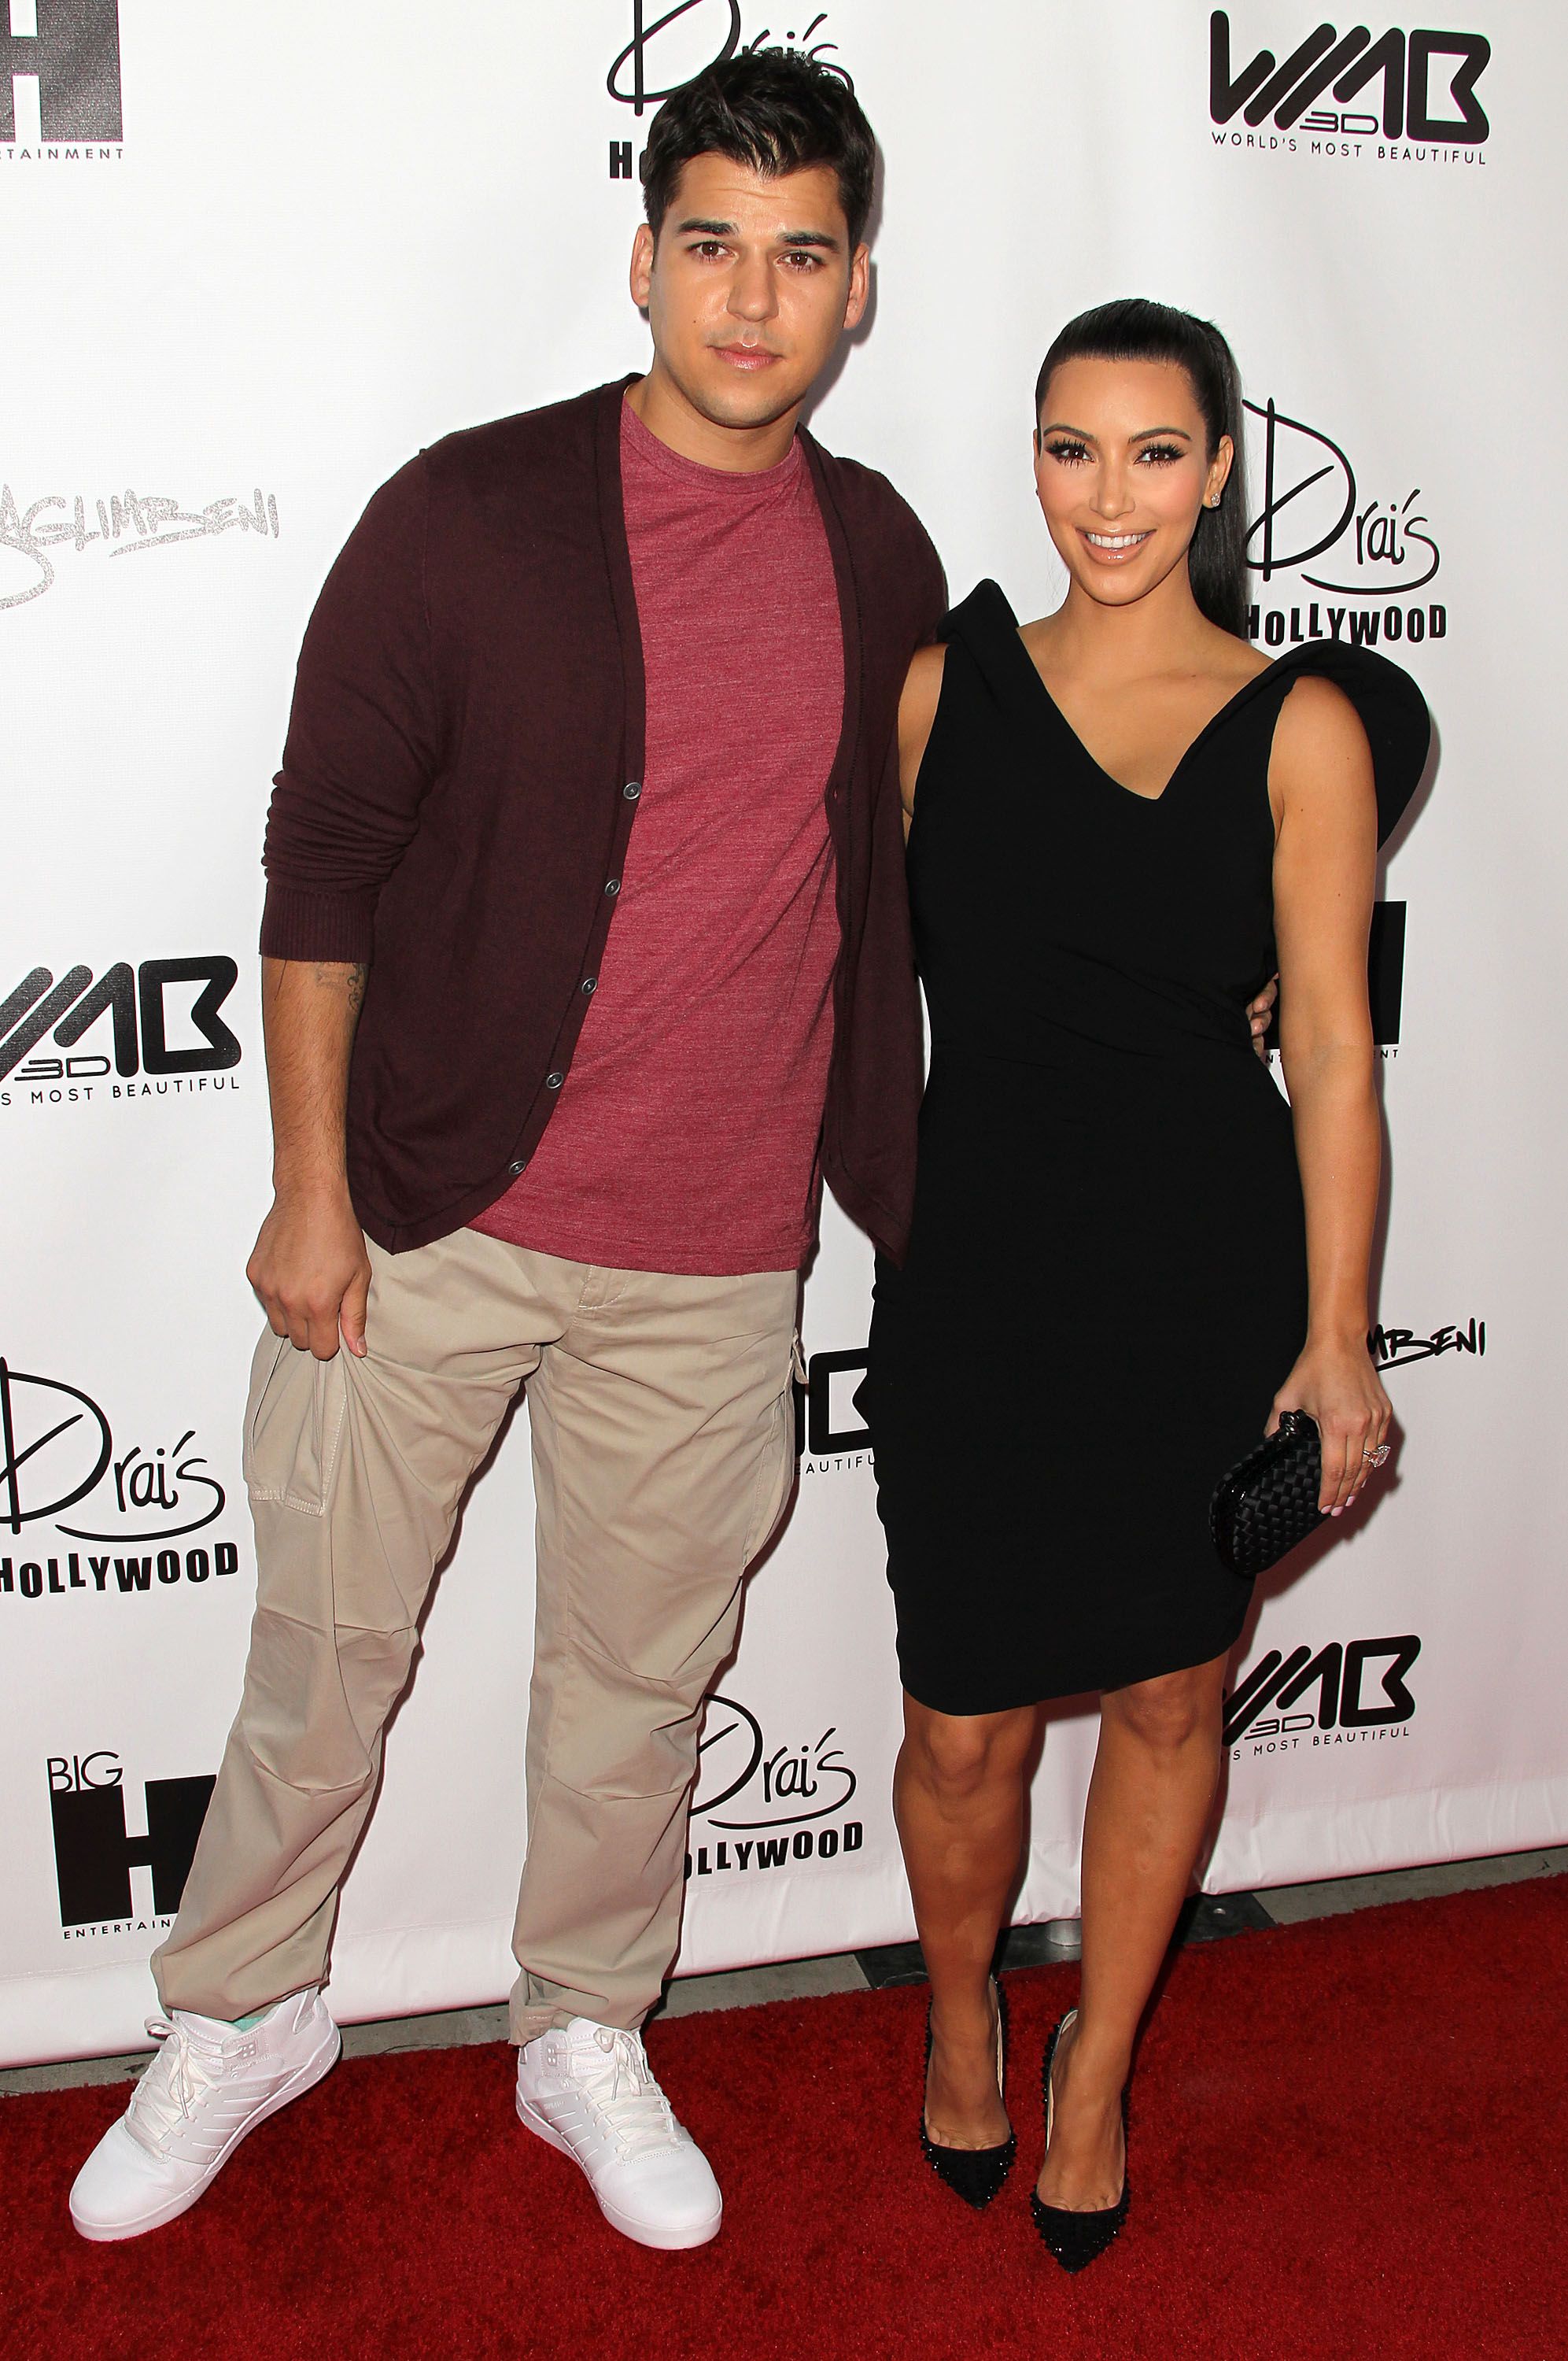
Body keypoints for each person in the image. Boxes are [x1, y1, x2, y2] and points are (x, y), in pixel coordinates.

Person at [66, 50, 945, 2253]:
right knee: (323, 1657)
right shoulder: (463, 513)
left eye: (804, 253)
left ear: (855, 293)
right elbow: (326, 855)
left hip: (722, 1253)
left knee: (638, 1697)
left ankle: (583, 2027)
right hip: (431, 1214)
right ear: (644, 259)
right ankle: (242, 2009)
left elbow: (942, 861)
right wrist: (304, 1185)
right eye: (716, 245)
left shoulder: (877, 551)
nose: (755, 297)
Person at [860, 299, 1429, 2270]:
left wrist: (1335, 1336)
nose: (1110, 495)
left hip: (1195, 1272)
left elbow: (1337, 1054)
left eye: (1156, 451)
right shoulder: (942, 690)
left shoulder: (1306, 722)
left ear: (1217, 471)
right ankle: (959, 2013)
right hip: (975, 1268)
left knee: (1175, 1702)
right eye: (1072, 448)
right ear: (1032, 459)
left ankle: (1094, 2066)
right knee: (961, 1729)